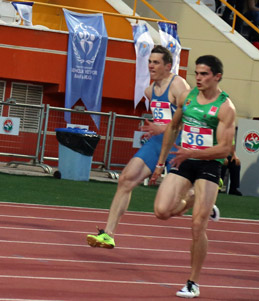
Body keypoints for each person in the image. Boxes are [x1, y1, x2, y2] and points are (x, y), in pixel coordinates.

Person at [86, 46, 191, 249]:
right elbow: (162, 121)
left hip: (180, 144)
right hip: (158, 143)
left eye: (156, 62)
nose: (151, 65)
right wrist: (157, 129)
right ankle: (108, 234)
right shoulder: (149, 91)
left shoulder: (178, 85)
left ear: (168, 66)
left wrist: (163, 127)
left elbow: (190, 119)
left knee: (175, 203)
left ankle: (202, 192)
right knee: (125, 179)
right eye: (150, 61)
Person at [150, 55, 236, 299]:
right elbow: (173, 127)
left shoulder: (224, 107)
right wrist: (159, 163)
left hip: (209, 165)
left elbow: (225, 149)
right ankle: (198, 202)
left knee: (197, 225)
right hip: (185, 160)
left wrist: (193, 152)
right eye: (196, 73)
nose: (198, 78)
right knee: (162, 211)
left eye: (204, 74)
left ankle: (192, 282)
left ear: (217, 76)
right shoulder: (187, 98)